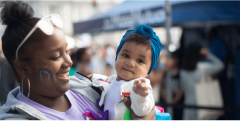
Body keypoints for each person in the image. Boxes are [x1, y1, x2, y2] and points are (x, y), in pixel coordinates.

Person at [0, 1, 156, 120]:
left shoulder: (89, 88)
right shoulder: (16, 117)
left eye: (67, 51)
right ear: (22, 66)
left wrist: (140, 107)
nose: (68, 61)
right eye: (56, 56)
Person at [89, 25, 169, 121]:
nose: (130, 63)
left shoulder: (140, 86)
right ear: (117, 56)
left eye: (140, 60)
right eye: (126, 55)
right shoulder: (112, 80)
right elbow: (106, 80)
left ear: (148, 70)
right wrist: (93, 77)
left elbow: (143, 110)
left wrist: (141, 97)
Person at [180, 42, 224, 121]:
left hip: (188, 104)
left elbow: (183, 87)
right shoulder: (203, 67)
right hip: (202, 103)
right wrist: (209, 55)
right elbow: (220, 65)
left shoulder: (183, 71)